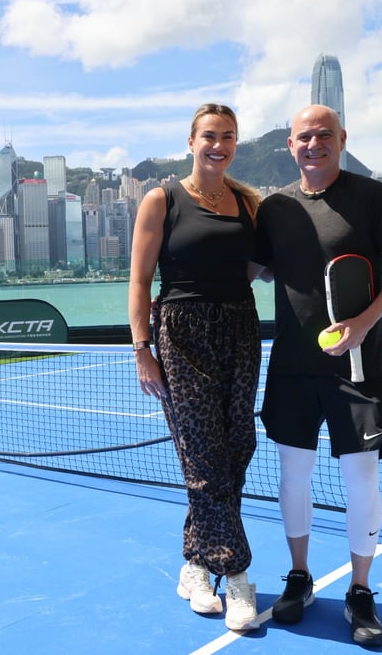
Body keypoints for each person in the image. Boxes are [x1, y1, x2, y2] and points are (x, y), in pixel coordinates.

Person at [249, 104, 382, 647]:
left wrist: (363, 324)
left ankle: (360, 591)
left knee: (360, 478)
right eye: (304, 136)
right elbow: (255, 269)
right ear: (290, 146)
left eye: (325, 134)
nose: (314, 143)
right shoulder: (274, 207)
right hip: (292, 369)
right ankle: (299, 579)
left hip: (357, 368)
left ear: (342, 138)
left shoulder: (371, 197)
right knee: (293, 476)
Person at [128, 103, 263, 631]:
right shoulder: (162, 200)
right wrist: (143, 349)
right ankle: (237, 576)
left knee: (235, 448)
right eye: (209, 135)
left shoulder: (249, 204)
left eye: (228, 137)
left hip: (239, 329)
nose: (218, 145)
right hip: (180, 332)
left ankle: (193, 563)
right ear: (191, 142)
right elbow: (140, 281)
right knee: (204, 456)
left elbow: (254, 268)